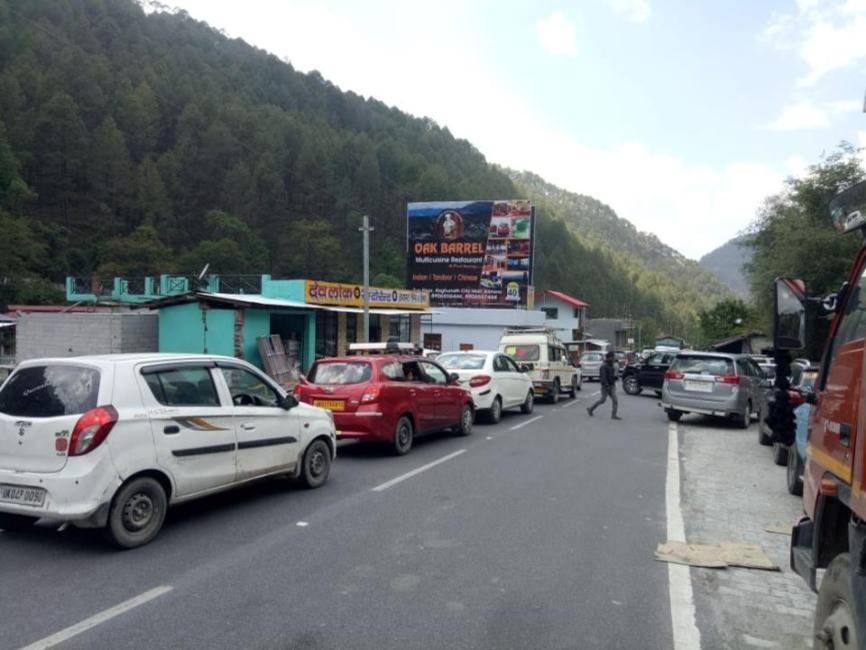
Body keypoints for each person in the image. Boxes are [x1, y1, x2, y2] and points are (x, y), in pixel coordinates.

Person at [587, 351, 621, 420]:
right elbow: (603, 378)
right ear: (610, 358)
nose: (614, 358)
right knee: (602, 400)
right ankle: (590, 409)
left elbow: (613, 376)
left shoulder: (612, 365)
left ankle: (614, 415)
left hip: (612, 386)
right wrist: (607, 386)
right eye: (613, 357)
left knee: (615, 400)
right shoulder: (604, 366)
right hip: (606, 387)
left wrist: (616, 377)